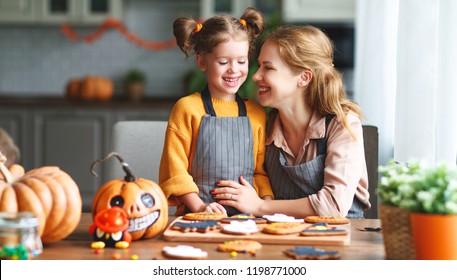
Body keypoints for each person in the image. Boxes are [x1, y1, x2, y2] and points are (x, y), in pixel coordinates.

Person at [212, 25, 371, 219]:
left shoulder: (342, 125)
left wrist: (260, 206)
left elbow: (333, 206)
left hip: (343, 239)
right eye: (259, 65)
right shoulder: (263, 125)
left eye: (268, 68)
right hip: (281, 238)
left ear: (304, 78)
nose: (255, 76)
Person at [159, 7, 273, 216]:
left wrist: (264, 205)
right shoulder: (187, 109)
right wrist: (201, 207)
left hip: (248, 220)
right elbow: (175, 171)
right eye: (223, 62)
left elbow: (260, 172)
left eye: (241, 61)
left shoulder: (256, 113)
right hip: (197, 217)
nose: (234, 69)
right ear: (202, 62)